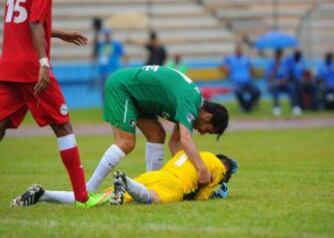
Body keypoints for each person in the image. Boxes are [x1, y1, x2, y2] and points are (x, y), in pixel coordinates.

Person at [0, 0, 103, 207]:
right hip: (32, 70)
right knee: (63, 126)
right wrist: (44, 63)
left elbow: (24, 23)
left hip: (9, 67)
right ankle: (82, 197)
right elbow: (34, 23)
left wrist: (58, 33)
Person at [83, 65, 229, 198]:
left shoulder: (192, 102)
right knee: (126, 143)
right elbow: (185, 139)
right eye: (208, 130)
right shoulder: (190, 102)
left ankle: (150, 185)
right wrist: (201, 168)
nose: (202, 133)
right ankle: (88, 190)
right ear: (208, 116)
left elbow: (175, 144)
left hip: (138, 96)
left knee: (157, 135)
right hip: (122, 87)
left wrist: (182, 174)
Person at [11, 150, 238, 206]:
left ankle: (43, 195)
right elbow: (203, 194)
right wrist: (218, 193)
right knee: (152, 199)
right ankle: (126, 182)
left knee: (95, 200)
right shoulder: (218, 167)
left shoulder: (189, 152)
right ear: (225, 165)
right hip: (173, 184)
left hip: (154, 175)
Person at [221, 43, 260, 113]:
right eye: (238, 50)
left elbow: (251, 67)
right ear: (235, 51)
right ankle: (245, 107)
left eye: (240, 50)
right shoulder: (230, 58)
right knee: (239, 92)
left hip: (248, 81)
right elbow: (222, 66)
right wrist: (227, 70)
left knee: (257, 91)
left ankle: (247, 106)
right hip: (237, 82)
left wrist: (252, 75)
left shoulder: (246, 58)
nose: (239, 51)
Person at [266, 49, 301, 116]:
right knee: (274, 89)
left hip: (284, 84)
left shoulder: (285, 64)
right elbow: (269, 78)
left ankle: (295, 107)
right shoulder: (271, 64)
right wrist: (275, 69)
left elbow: (288, 75)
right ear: (275, 56)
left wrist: (283, 80)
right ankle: (276, 107)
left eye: (279, 55)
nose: (278, 56)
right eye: (277, 55)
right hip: (275, 84)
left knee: (292, 88)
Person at [96, 28, 125, 101]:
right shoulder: (101, 44)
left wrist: (125, 67)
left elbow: (123, 55)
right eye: (105, 35)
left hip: (113, 70)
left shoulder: (116, 44)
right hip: (102, 70)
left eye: (108, 34)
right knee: (103, 89)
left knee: (114, 88)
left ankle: (115, 102)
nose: (106, 36)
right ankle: (104, 105)